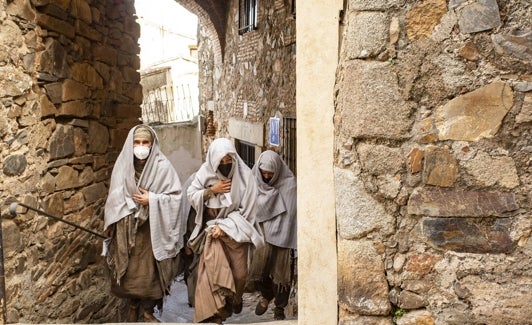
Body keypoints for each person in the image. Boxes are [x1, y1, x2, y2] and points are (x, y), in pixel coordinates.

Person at [103, 125, 184, 322]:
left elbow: (176, 197)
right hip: (128, 229)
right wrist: (111, 222)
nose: (141, 147)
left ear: (152, 144)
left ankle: (148, 310)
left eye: (145, 143)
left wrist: (153, 199)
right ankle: (132, 305)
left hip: (152, 230)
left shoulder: (163, 167)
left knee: (151, 273)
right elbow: (115, 196)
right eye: (137, 143)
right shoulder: (123, 166)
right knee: (131, 272)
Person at [187, 138, 264, 324]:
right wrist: (212, 190)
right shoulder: (205, 173)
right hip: (211, 235)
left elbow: (248, 212)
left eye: (229, 161)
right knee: (211, 276)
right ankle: (216, 317)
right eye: (220, 162)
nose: (225, 165)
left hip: (235, 234)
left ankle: (236, 299)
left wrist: (224, 227)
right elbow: (191, 194)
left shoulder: (245, 177)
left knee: (239, 275)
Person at [248, 150, 297, 321]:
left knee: (281, 274)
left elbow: (292, 214)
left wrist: (284, 231)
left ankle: (279, 309)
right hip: (262, 233)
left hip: (283, 236)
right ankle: (266, 295)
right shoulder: (253, 182)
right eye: (264, 172)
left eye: (271, 173)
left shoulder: (290, 185)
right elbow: (250, 208)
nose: (267, 176)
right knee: (258, 269)